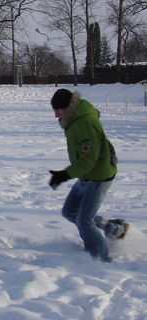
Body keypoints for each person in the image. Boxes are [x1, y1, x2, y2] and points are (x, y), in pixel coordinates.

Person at [49, 88, 129, 262]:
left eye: (58, 110)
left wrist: (64, 175)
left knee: (85, 220)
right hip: (87, 175)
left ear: (68, 107)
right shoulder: (74, 120)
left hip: (99, 176)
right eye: (54, 110)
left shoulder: (85, 123)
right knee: (70, 212)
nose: (56, 115)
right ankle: (116, 229)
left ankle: (100, 258)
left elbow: (88, 160)